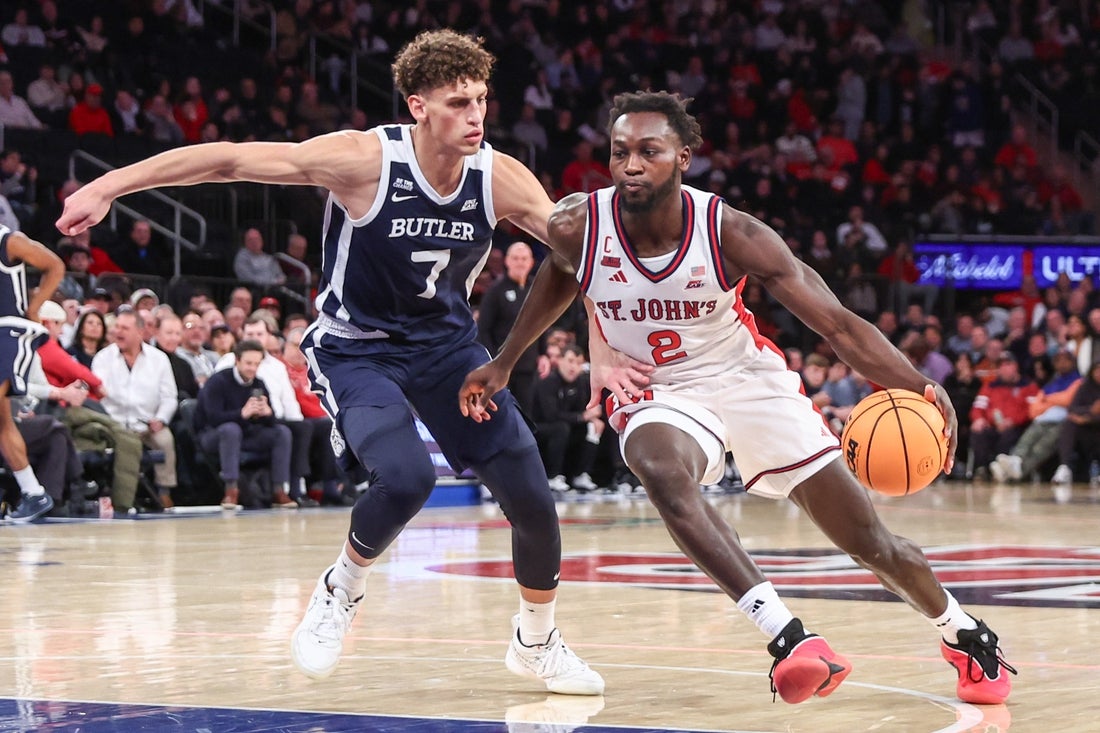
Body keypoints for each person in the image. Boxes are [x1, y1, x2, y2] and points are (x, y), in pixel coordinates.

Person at [56, 29, 602, 695]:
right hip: (357, 347)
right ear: (418, 106)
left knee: (534, 499)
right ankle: (342, 587)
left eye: (482, 99)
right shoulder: (363, 159)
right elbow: (229, 160)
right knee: (405, 479)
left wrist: (605, 354)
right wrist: (110, 185)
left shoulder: (499, 175)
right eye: (459, 102)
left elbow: (581, 258)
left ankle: (537, 641)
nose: (477, 115)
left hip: (447, 350)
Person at [460, 91, 1015, 706]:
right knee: (659, 467)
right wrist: (505, 361)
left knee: (869, 542)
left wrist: (917, 383)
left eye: (649, 151)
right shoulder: (577, 224)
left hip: (746, 377)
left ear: (683, 158)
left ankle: (961, 631)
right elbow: (561, 273)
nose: (631, 165)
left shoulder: (731, 232)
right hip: (659, 388)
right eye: (620, 153)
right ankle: (788, 637)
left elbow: (836, 325)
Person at [0, 224, 64, 521]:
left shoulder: (8, 240)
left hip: (8, 332)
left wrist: (34, 308)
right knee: (2, 423)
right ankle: (34, 493)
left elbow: (55, 265)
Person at [195, 339, 293, 510]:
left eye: (256, 364)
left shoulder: (259, 383)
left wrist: (268, 413)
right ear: (237, 360)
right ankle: (231, 490)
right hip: (213, 435)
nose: (252, 368)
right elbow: (212, 418)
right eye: (248, 363)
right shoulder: (218, 381)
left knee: (282, 432)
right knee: (231, 429)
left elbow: (270, 423)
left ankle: (279, 490)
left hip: (245, 434)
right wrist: (241, 414)